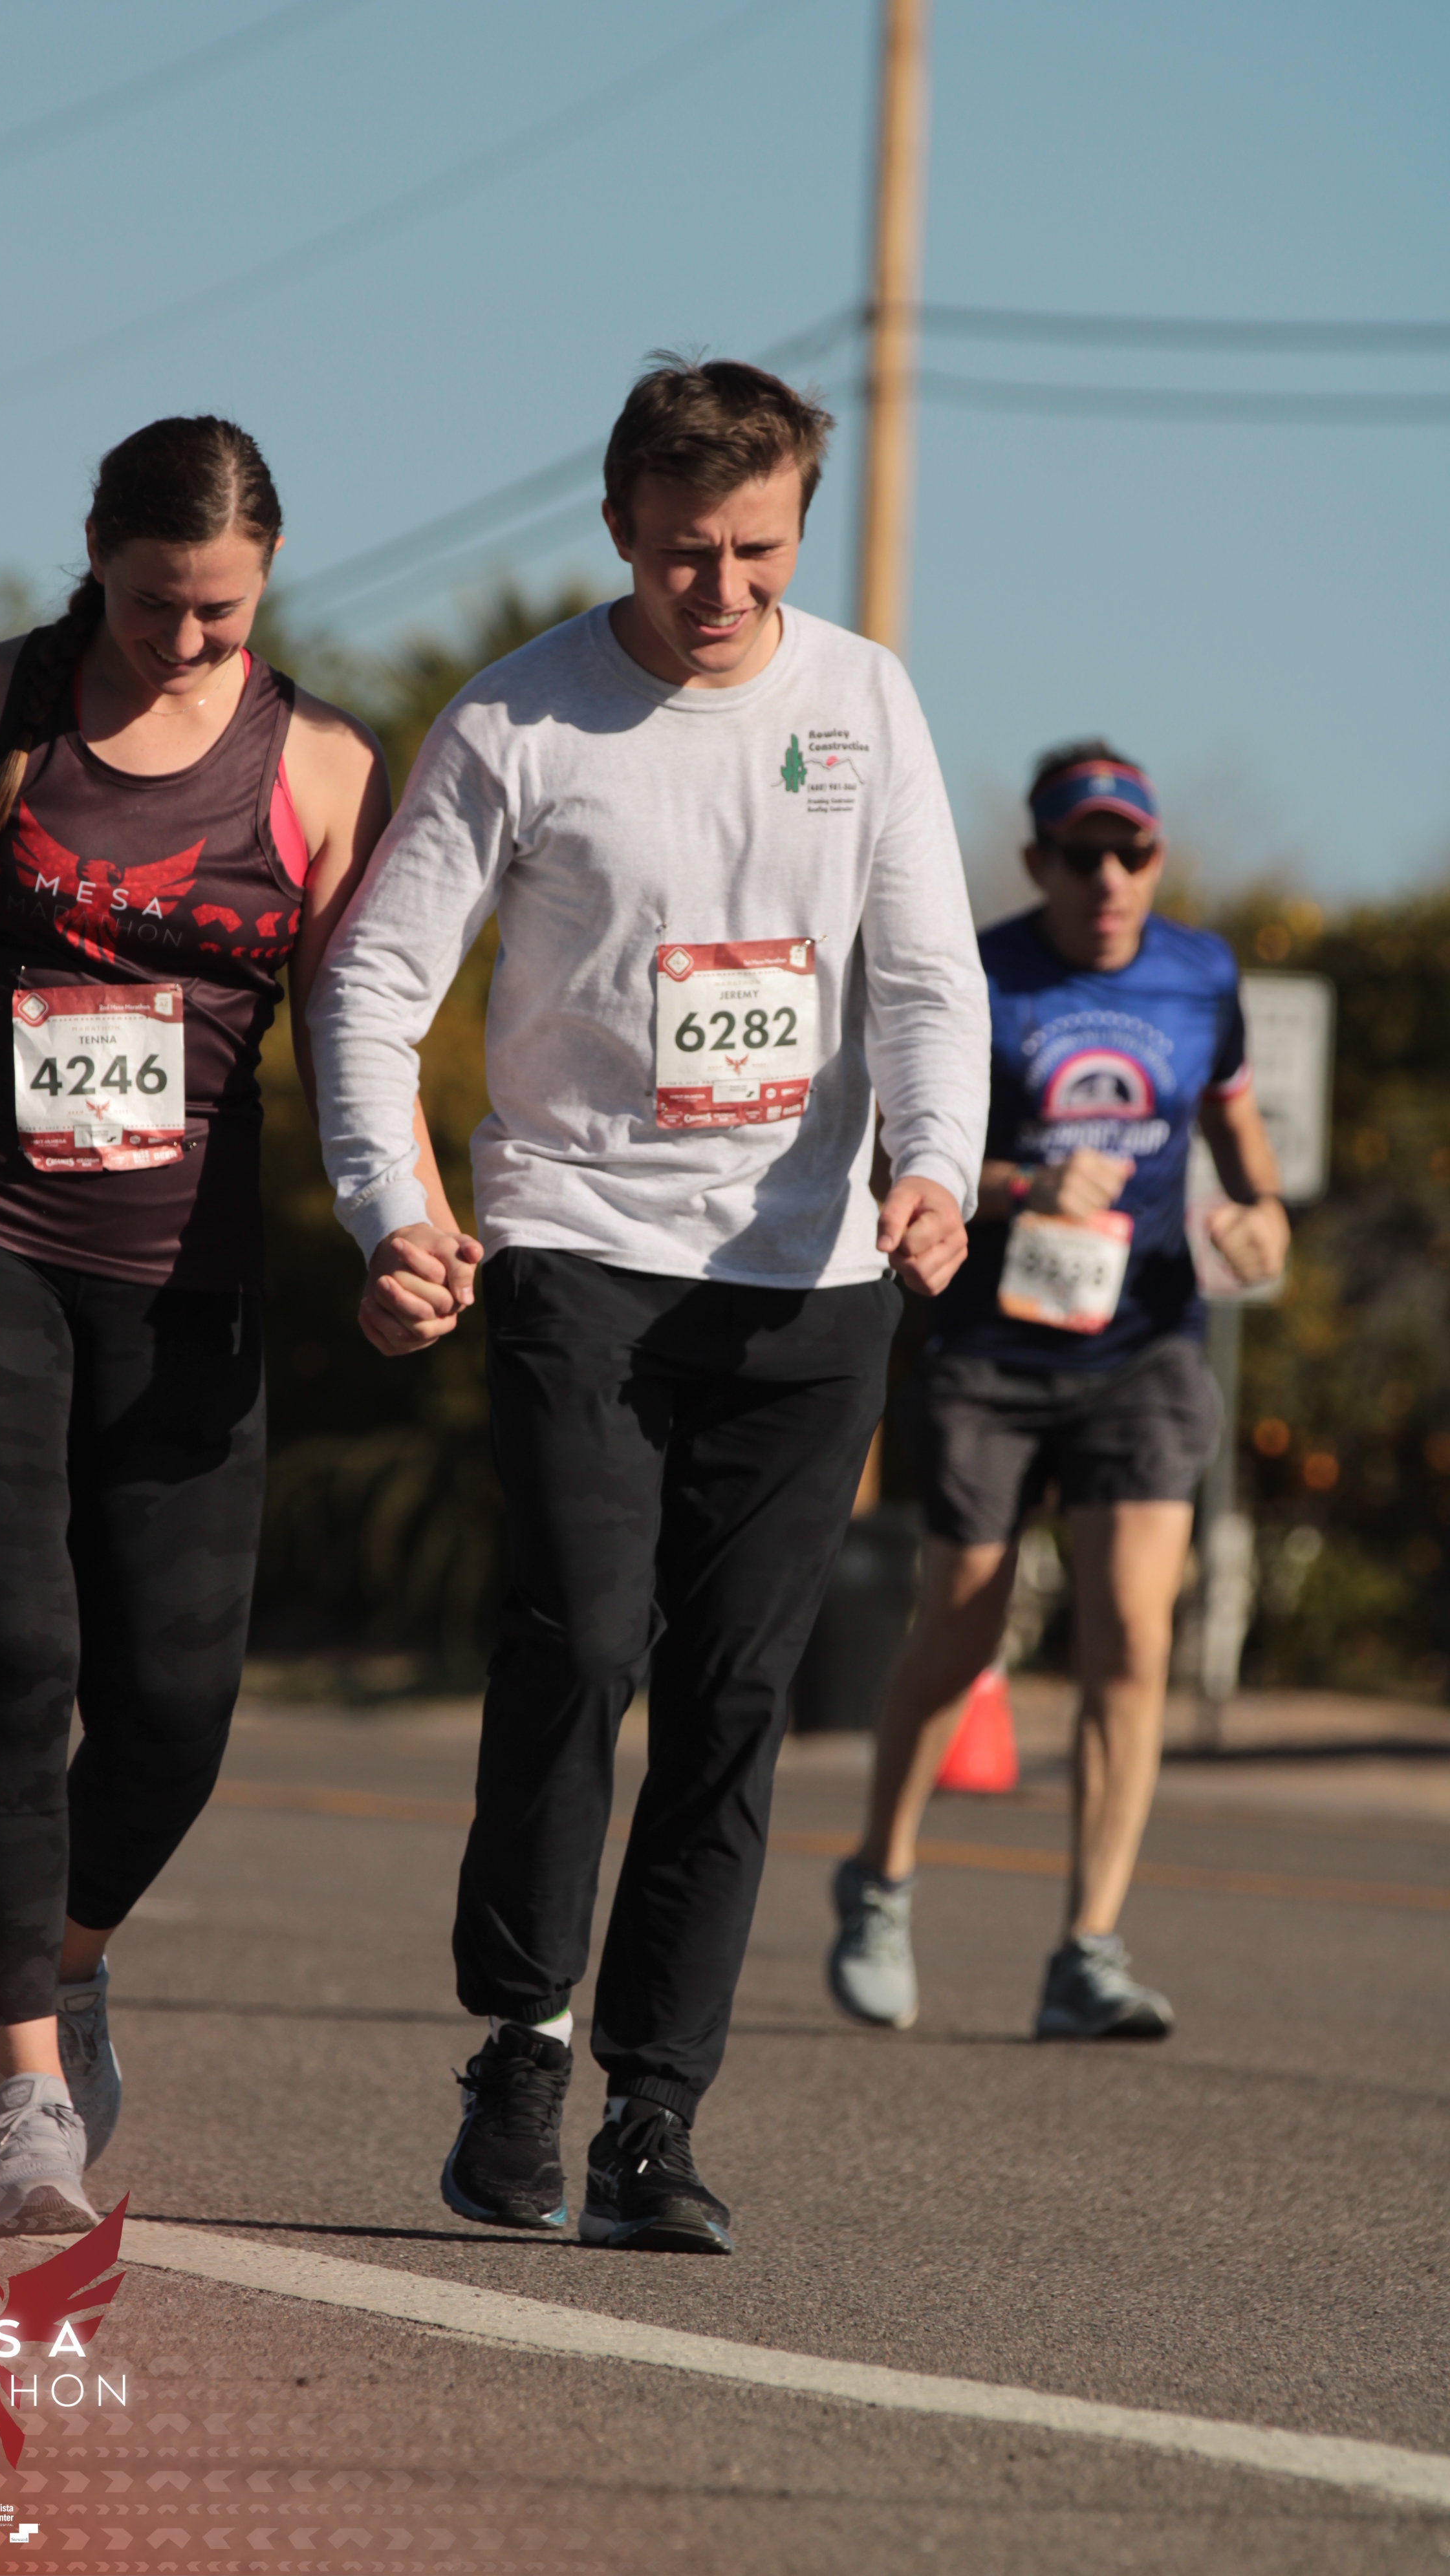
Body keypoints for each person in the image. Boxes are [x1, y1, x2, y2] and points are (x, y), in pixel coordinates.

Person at [0, 416, 469, 2234]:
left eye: (221, 610)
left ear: (267, 577)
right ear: (95, 556)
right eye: (154, 605)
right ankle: (25, 2100)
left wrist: (403, 1225)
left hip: (179, 1275)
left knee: (174, 1709)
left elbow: (359, 1039)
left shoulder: (319, 768)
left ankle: (66, 1960)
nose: (186, 641)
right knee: (15, 1657)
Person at [309, 356, 989, 2254]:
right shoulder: (518, 718)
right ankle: (521, 2045)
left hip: (808, 1278)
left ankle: (654, 2114)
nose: (725, 590)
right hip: (580, 1243)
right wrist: (393, 1212)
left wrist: (935, 1163)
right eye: (687, 552)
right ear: (619, 525)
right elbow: (375, 987)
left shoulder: (862, 699)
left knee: (734, 1693)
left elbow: (926, 974)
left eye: (760, 552)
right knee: (586, 1639)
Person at [828, 742, 1290, 2041]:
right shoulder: (979, 974)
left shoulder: (1201, 975)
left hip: (1145, 1347)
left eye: (1129, 851)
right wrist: (1023, 1183)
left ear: (1156, 858)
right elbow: (901, 1157)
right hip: (993, 1352)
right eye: (1081, 854)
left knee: (1130, 1637)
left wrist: (1261, 1216)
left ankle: (1087, 1949)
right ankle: (879, 1879)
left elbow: (1238, 1139)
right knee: (964, 1625)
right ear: (1038, 861)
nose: (1107, 876)